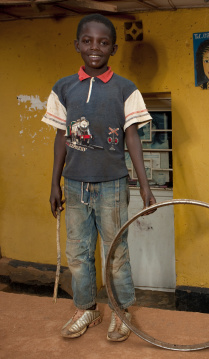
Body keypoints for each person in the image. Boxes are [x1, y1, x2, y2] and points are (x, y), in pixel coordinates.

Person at [42, 14, 156, 342]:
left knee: (116, 252)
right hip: (75, 184)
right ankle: (86, 308)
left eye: (103, 43)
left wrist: (144, 186)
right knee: (78, 253)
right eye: (88, 41)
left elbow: (132, 137)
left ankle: (121, 312)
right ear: (77, 44)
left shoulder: (125, 89)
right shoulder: (63, 88)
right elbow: (61, 138)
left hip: (113, 184)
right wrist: (55, 184)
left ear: (114, 48)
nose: (95, 48)